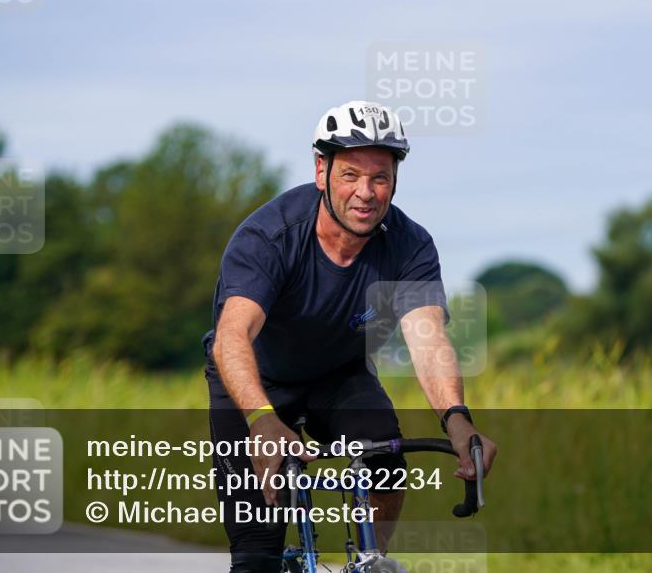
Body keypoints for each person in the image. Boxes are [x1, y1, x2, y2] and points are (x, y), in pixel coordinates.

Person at [203, 100, 497, 572]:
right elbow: (231, 336)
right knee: (256, 555)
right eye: (350, 176)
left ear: (395, 180)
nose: (366, 193)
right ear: (322, 172)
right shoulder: (270, 236)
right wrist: (261, 418)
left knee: (382, 452)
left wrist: (457, 420)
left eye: (380, 177)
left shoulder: (409, 244)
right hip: (254, 380)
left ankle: (368, 561)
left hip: (338, 375)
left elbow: (428, 341)